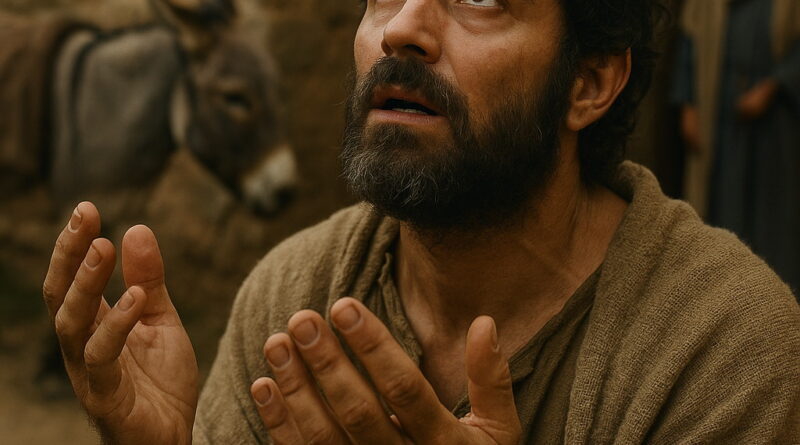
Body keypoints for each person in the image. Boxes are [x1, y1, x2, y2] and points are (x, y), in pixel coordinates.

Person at [42, 0, 799, 444]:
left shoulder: (728, 354)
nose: (402, 28)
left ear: (589, 81)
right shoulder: (293, 296)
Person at [673, 0, 800, 291]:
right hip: (720, 115)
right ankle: (721, 293)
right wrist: (687, 104)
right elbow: (690, 40)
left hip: (774, 125)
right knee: (722, 206)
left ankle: (775, 299)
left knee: (772, 215)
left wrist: (772, 87)